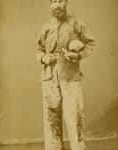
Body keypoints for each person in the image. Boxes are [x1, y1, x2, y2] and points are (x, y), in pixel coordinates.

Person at [36, 0, 95, 150]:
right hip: (49, 79)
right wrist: (44, 58)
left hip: (70, 78)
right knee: (51, 120)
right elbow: (39, 49)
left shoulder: (76, 23)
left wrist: (77, 56)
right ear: (50, 4)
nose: (57, 5)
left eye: (60, 1)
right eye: (54, 1)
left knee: (75, 118)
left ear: (66, 3)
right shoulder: (46, 27)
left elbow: (90, 44)